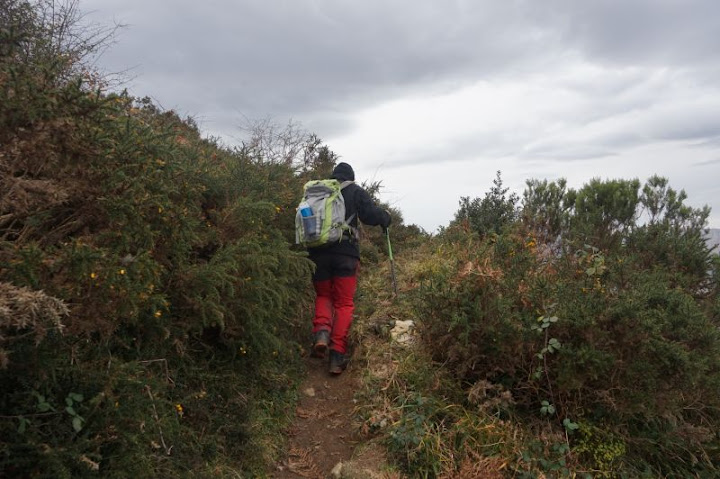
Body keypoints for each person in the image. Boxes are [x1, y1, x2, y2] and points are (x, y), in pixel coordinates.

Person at [307, 162, 391, 375]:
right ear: (351, 178)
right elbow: (371, 215)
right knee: (344, 303)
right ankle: (337, 355)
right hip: (345, 255)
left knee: (324, 296)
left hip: (317, 254)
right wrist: (385, 218)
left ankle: (322, 334)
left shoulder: (321, 193)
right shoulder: (355, 191)